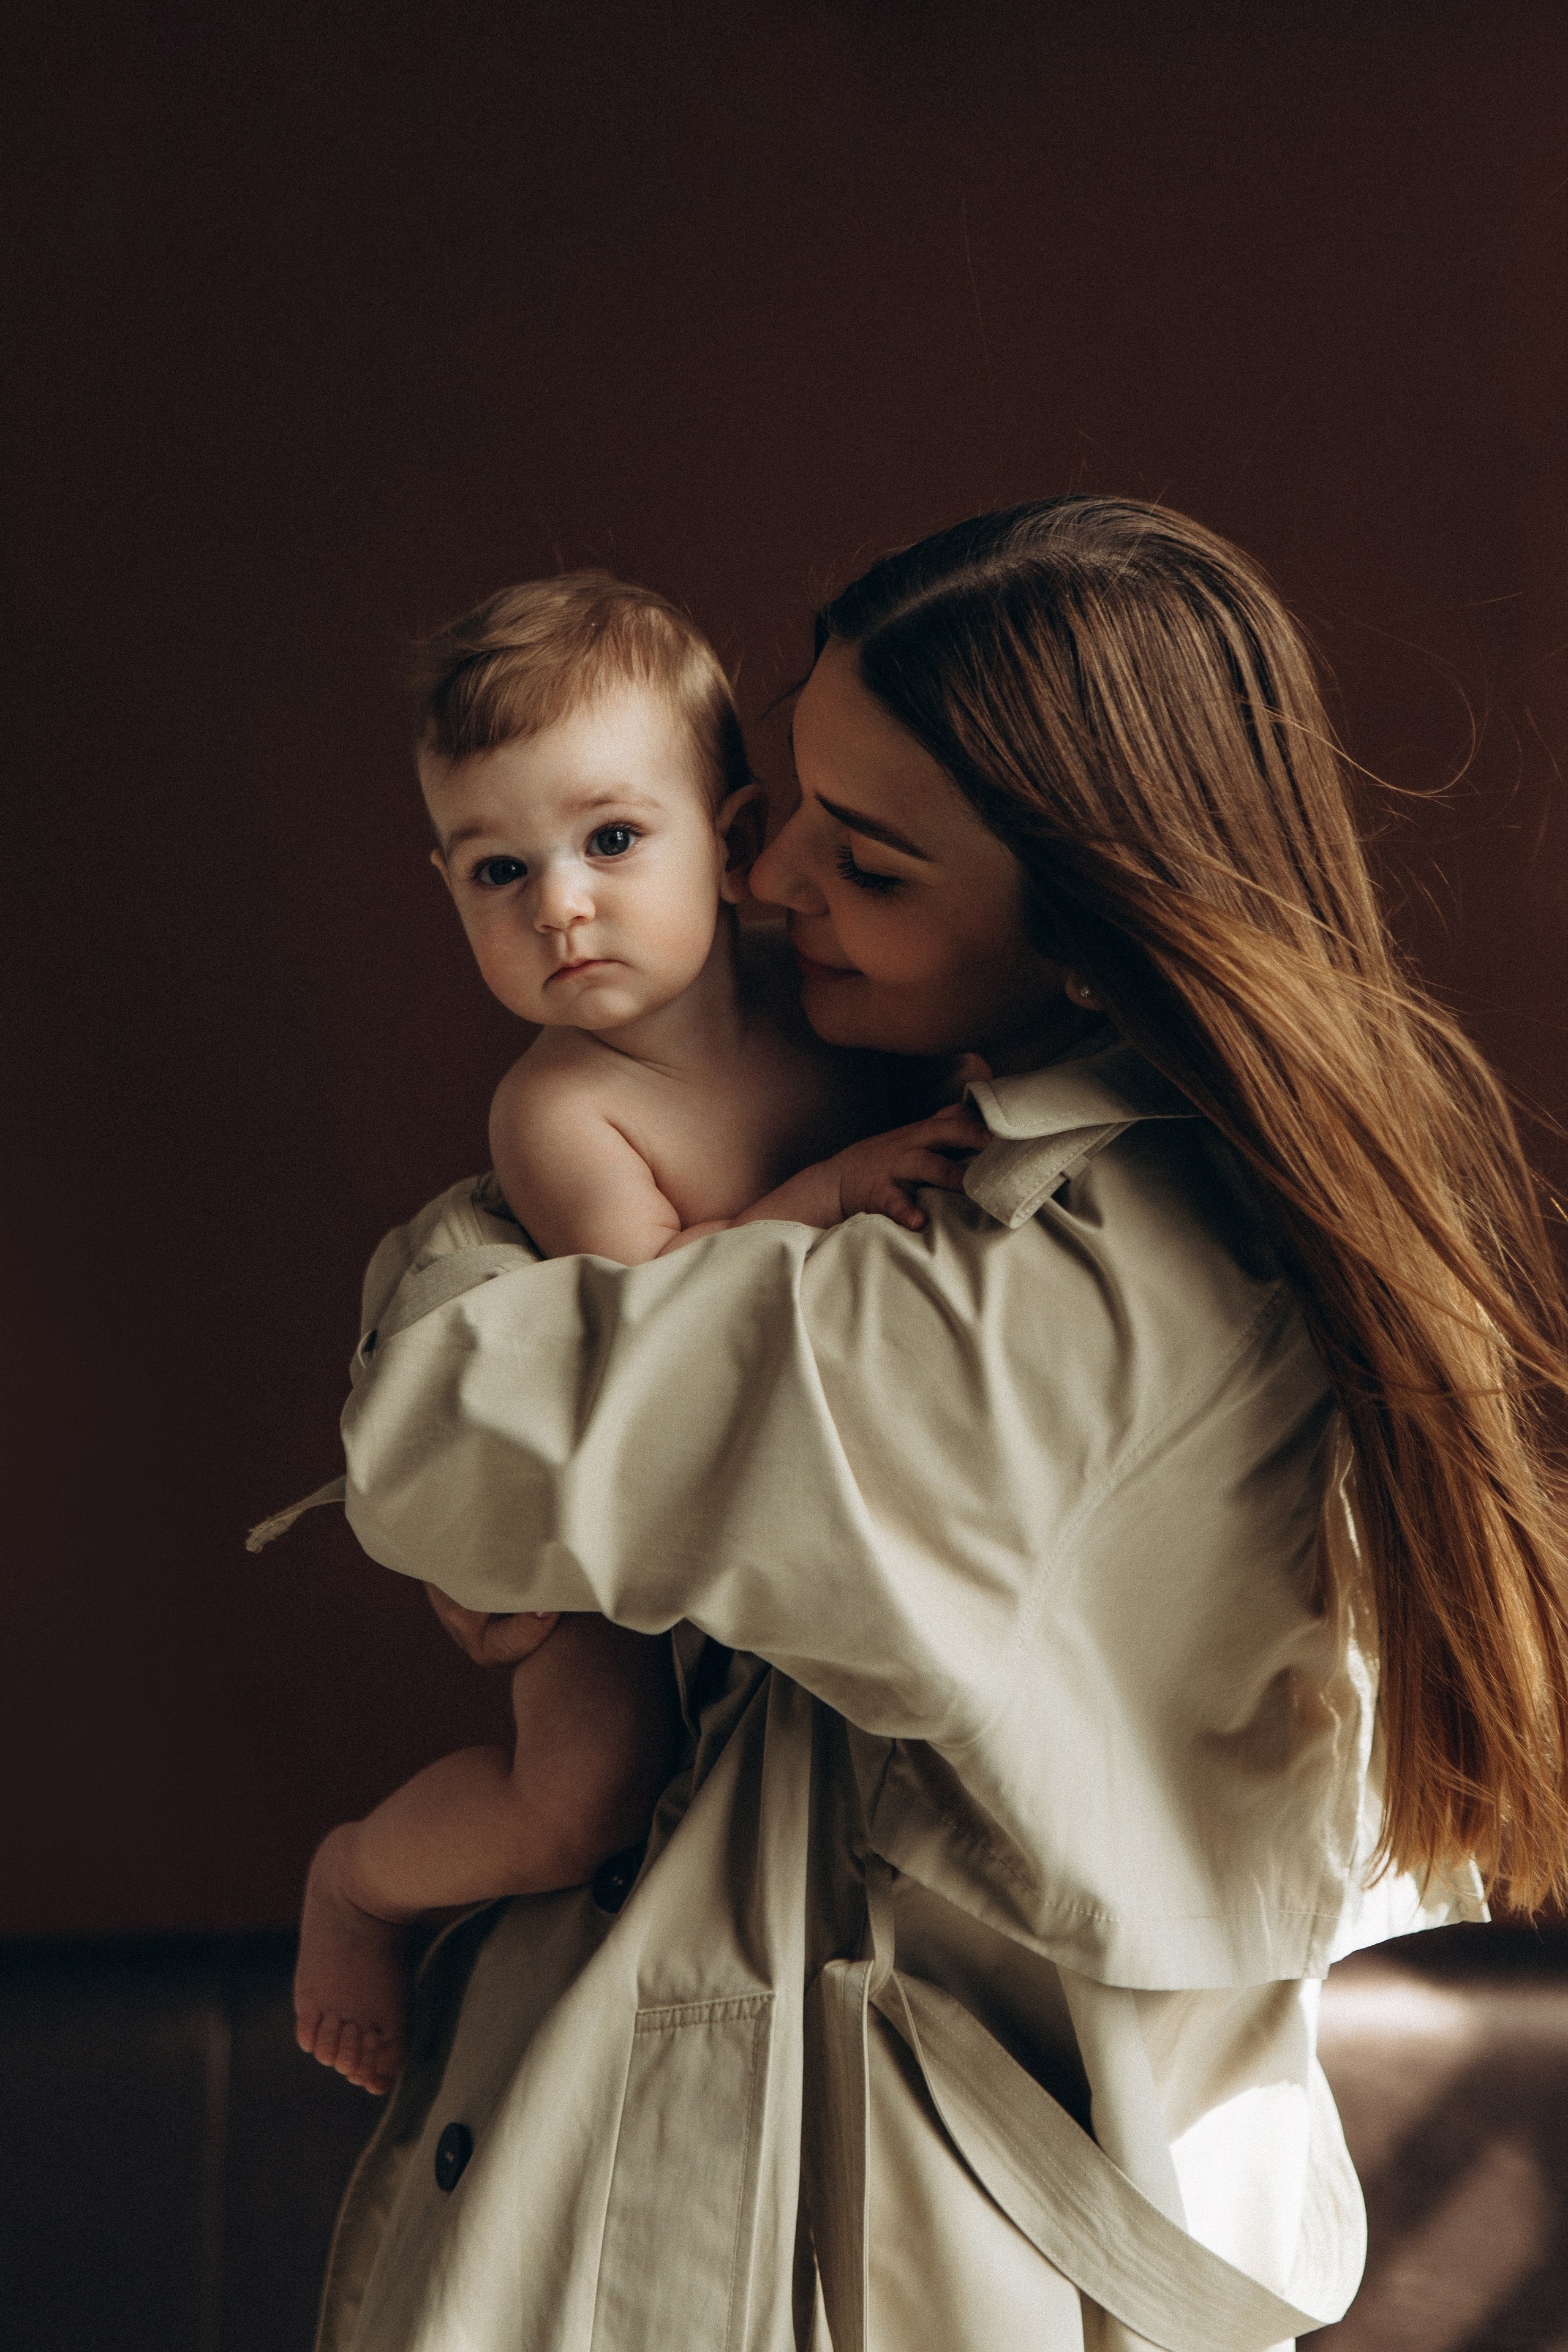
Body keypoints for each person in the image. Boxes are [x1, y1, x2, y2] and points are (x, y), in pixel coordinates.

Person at [317, 498, 1568, 2352]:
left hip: (904, 2238)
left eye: (869, 863)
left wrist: (461, 1282)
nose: (759, 883)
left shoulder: (1041, 1298)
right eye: (792, 808)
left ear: (1087, 933)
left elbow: (442, 1450)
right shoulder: (1051, 1150)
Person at [293, 573, 985, 2096]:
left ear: (732, 844)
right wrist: (823, 1192)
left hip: (776, 1494)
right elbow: (657, 1329)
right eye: (495, 870)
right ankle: (357, 1880)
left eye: (609, 840)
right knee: (586, 1798)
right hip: (600, 1501)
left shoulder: (819, 1000)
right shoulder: (561, 1104)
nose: (557, 904)